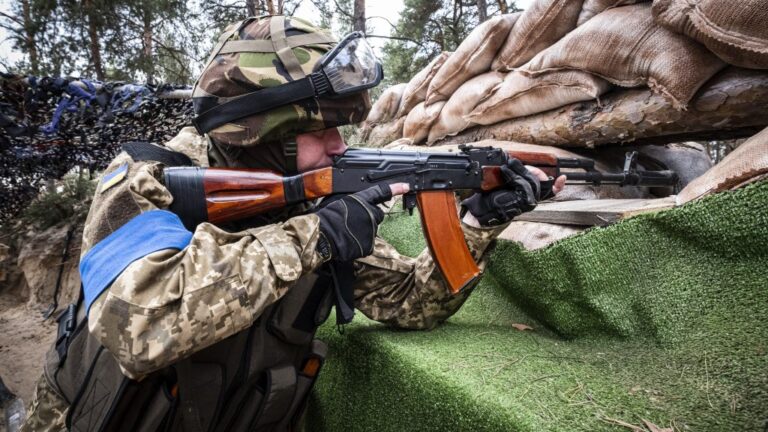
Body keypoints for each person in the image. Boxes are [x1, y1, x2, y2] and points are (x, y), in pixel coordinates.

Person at [21, 15, 565, 432]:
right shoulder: (150, 182)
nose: (341, 146)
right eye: (325, 130)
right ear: (263, 128)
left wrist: (478, 218)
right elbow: (142, 327)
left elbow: (409, 301)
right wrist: (316, 236)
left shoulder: (304, 199)